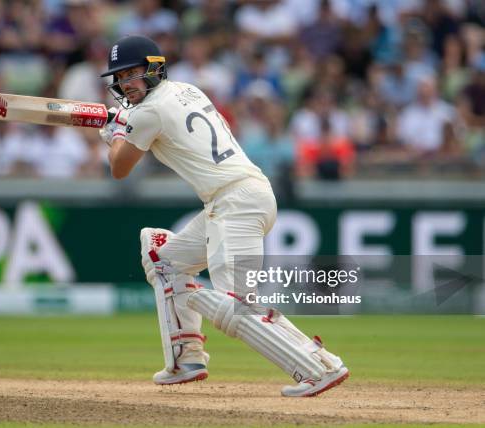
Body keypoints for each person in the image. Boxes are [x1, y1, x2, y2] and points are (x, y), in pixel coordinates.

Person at [98, 35, 349, 397]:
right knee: (163, 258)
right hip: (236, 198)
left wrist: (115, 132)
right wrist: (126, 126)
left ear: (154, 69)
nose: (125, 84)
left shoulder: (146, 112)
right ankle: (186, 359)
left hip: (236, 202)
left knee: (236, 304)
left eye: (132, 73)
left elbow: (120, 168)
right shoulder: (187, 90)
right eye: (120, 78)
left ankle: (316, 368)